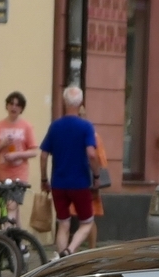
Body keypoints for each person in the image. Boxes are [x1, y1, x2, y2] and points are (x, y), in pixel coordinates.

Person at [41, 85, 104, 254]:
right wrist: (97, 177)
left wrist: (44, 180)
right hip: (80, 183)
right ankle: (70, 250)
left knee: (63, 223)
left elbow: (43, 155)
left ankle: (62, 260)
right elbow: (91, 154)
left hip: (58, 183)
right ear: (81, 102)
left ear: (64, 102)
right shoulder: (86, 126)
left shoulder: (54, 126)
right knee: (86, 222)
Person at [0, 90, 38, 214]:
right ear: (7, 106)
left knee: (11, 207)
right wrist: (1, 144)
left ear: (21, 108)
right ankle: (18, 233)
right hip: (2, 174)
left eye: (17, 105)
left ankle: (5, 234)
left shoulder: (26, 126)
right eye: (11, 104)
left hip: (19, 175)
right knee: (8, 209)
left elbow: (34, 151)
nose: (14, 107)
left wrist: (17, 155)